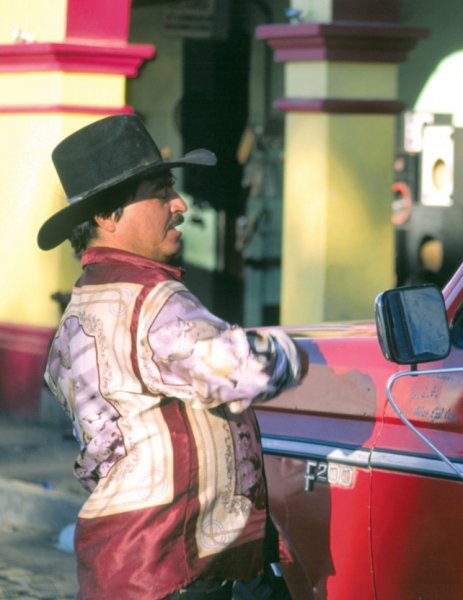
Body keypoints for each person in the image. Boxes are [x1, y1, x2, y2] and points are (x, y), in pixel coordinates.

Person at [37, 114, 307, 599]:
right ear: (107, 215)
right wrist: (300, 350)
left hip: (119, 563)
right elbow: (247, 371)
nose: (178, 205)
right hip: (176, 569)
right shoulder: (155, 301)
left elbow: (100, 454)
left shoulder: (79, 310)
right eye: (161, 192)